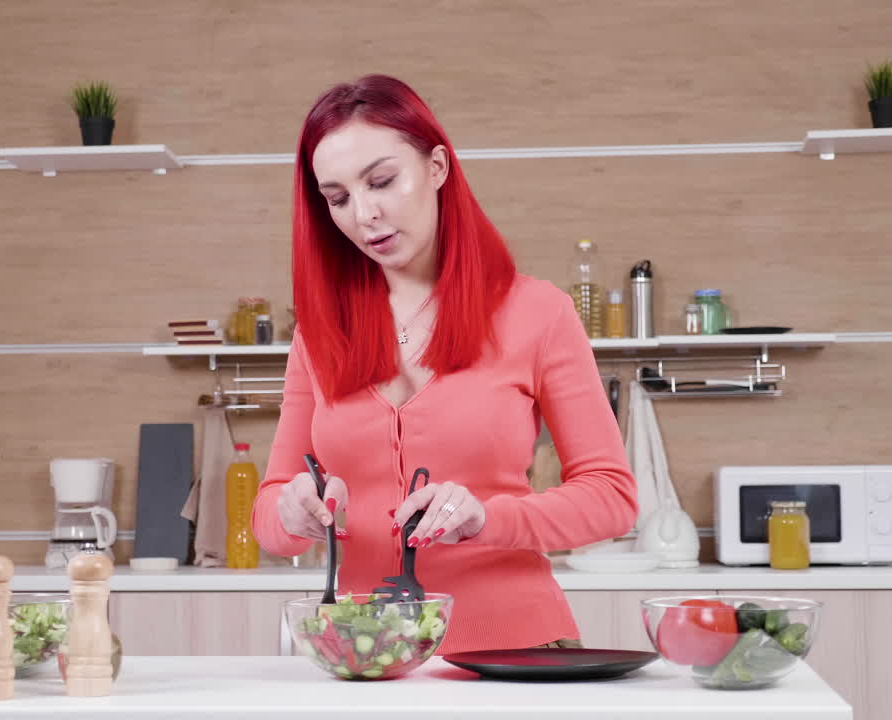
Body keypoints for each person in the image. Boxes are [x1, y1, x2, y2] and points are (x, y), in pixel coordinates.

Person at [251, 74, 637, 654]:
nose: (365, 214)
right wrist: (291, 512)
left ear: (436, 167)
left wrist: (490, 519)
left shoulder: (538, 312)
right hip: (368, 659)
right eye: (338, 198)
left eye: (382, 180)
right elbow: (271, 513)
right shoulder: (318, 334)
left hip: (517, 655)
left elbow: (612, 497)